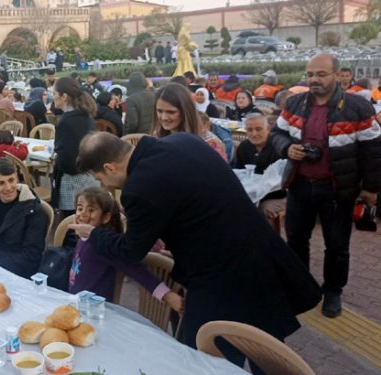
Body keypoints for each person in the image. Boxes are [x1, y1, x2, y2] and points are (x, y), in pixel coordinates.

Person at [72, 132, 322, 372]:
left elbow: (131, 250)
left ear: (109, 168)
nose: (103, 185)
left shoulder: (138, 187)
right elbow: (195, 205)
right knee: (268, 354)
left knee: (202, 361)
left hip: (222, 281)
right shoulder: (184, 141)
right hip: (261, 255)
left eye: (100, 179)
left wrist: (94, 234)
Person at [270, 54, 381, 318]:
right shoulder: (295, 103)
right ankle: (300, 288)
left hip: (338, 189)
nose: (314, 80)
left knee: (337, 245)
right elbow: (276, 134)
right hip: (300, 185)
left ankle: (332, 291)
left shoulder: (358, 107)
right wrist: (288, 148)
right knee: (296, 239)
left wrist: (372, 188)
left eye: (321, 74)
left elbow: (374, 150)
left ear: (337, 75)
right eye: (310, 74)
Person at [68, 186, 183, 310]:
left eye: (91, 210)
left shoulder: (105, 246)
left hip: (95, 310)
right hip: (76, 304)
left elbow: (136, 270)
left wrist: (168, 296)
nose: (83, 214)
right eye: (80, 208)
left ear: (106, 217)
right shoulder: (82, 238)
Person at [0, 158, 47, 278]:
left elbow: (31, 255)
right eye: (1, 183)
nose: (8, 188)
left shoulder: (34, 211)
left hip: (17, 273)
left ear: (17, 178)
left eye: (11, 180)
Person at [51, 77, 98, 215]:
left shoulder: (66, 121)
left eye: (54, 94)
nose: (53, 97)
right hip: (90, 178)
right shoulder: (85, 115)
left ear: (64, 96)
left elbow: (67, 160)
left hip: (73, 185)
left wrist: (56, 158)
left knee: (73, 226)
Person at [233, 113, 286, 217]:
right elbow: (239, 173)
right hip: (252, 193)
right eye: (249, 130)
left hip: (277, 195)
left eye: (258, 129)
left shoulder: (279, 147)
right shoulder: (244, 147)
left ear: (268, 129)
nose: (254, 134)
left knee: (262, 209)